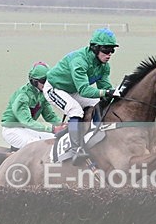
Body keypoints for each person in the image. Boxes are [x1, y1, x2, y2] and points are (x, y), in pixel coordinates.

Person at [43, 28, 119, 164]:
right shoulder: (79, 61)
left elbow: (105, 89)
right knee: (75, 110)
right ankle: (75, 149)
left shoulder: (104, 66)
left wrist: (116, 94)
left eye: (112, 50)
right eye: (106, 50)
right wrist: (106, 93)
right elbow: (84, 90)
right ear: (95, 48)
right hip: (55, 88)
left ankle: (96, 136)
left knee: (98, 103)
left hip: (73, 90)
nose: (109, 54)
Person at [1, 62, 66, 150]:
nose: (47, 83)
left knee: (54, 139)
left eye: (49, 80)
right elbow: (27, 121)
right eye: (43, 81)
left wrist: (63, 125)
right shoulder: (23, 96)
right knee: (35, 145)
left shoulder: (42, 94)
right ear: (34, 81)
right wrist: (53, 129)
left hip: (27, 128)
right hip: (12, 129)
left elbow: (49, 116)